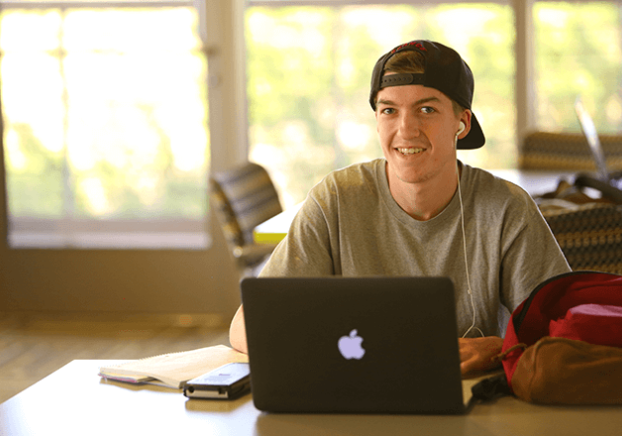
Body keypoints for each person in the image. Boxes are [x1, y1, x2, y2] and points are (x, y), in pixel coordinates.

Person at [229, 40, 571, 375]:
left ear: (462, 123)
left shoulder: (506, 209)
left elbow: (570, 332)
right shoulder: (334, 200)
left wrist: (500, 347)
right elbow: (245, 328)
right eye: (389, 110)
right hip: (353, 399)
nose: (406, 130)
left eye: (427, 109)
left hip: (473, 404)